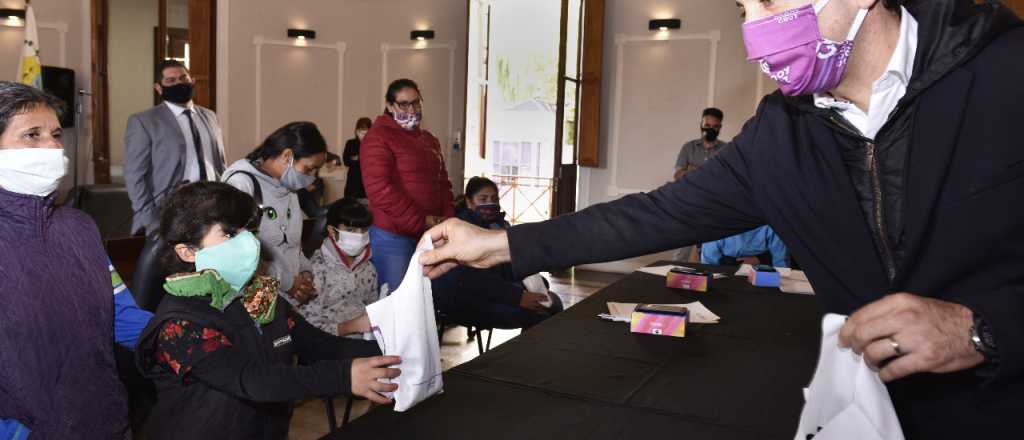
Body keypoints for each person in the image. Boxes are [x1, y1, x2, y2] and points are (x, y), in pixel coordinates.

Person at [420, 1, 1024, 437]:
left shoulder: (1003, 73)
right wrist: (497, 245)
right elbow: (651, 215)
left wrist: (982, 330)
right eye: (742, 8)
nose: (754, 30)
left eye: (769, 1)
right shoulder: (781, 136)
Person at [134, 182, 399, 440]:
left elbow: (316, 344)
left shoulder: (259, 295)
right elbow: (251, 379)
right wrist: (343, 377)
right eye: (229, 233)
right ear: (188, 251)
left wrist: (392, 351)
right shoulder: (179, 323)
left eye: (248, 230)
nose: (247, 241)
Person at [0, 81, 142, 438]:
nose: (52, 147)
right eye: (32, 135)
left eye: (55, 134)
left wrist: (188, 333)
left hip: (103, 419)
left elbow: (119, 311)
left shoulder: (78, 227)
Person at [433, 177, 563, 330]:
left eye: (494, 199)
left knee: (554, 304)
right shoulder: (461, 230)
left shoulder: (497, 226)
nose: (490, 203)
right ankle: (525, 354)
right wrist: (519, 297)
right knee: (537, 316)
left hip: (494, 292)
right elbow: (474, 280)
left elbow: (509, 266)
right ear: (469, 202)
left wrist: (537, 285)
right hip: (464, 299)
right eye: (483, 199)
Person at [362, 79, 454, 291]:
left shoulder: (429, 139)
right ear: (389, 105)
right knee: (398, 302)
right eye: (404, 104)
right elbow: (380, 190)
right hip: (393, 237)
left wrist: (447, 220)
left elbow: (443, 183)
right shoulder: (378, 137)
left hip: (430, 233)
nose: (411, 109)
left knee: (427, 301)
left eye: (416, 103)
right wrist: (422, 220)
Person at [224, 121, 326, 307]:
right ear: (288, 156)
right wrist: (287, 282)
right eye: (309, 169)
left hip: (286, 299)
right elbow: (240, 251)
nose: (311, 177)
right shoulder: (241, 185)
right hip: (254, 299)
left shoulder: (288, 187)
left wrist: (304, 271)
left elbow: (292, 244)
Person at [124, 59, 226, 236]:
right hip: (169, 212)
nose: (179, 83)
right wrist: (150, 221)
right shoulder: (143, 121)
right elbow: (135, 177)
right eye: (171, 81)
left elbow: (220, 164)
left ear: (192, 81)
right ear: (158, 88)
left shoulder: (209, 116)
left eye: (183, 78)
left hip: (212, 207)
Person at [300, 198, 379, 337]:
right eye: (350, 230)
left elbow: (372, 308)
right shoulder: (315, 270)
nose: (359, 236)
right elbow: (308, 327)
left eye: (364, 230)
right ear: (332, 230)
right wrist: (352, 327)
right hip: (330, 343)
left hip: (366, 337)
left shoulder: (368, 268)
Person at [673, 107, 726, 182]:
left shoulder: (726, 149)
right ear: (701, 125)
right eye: (707, 125)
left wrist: (693, 170)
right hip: (690, 192)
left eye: (715, 126)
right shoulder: (688, 147)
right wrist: (712, 171)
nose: (711, 129)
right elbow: (677, 175)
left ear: (720, 128)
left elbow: (727, 177)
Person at [701, 225, 789, 268]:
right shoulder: (716, 226)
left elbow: (781, 264)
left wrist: (761, 259)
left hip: (763, 268)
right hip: (726, 268)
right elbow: (708, 266)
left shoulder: (771, 227)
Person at [297, 151, 341, 218]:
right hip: (304, 186)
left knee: (315, 211)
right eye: (333, 167)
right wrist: (306, 184)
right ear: (333, 162)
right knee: (314, 212)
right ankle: (338, 206)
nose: (331, 170)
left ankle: (337, 206)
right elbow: (309, 170)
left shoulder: (323, 157)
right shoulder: (321, 158)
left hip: (307, 185)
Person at [343, 117, 372, 202]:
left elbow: (371, 162)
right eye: (360, 130)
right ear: (356, 131)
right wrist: (361, 158)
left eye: (365, 130)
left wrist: (356, 158)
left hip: (367, 185)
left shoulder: (373, 145)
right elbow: (346, 161)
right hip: (353, 184)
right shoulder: (350, 143)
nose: (362, 133)